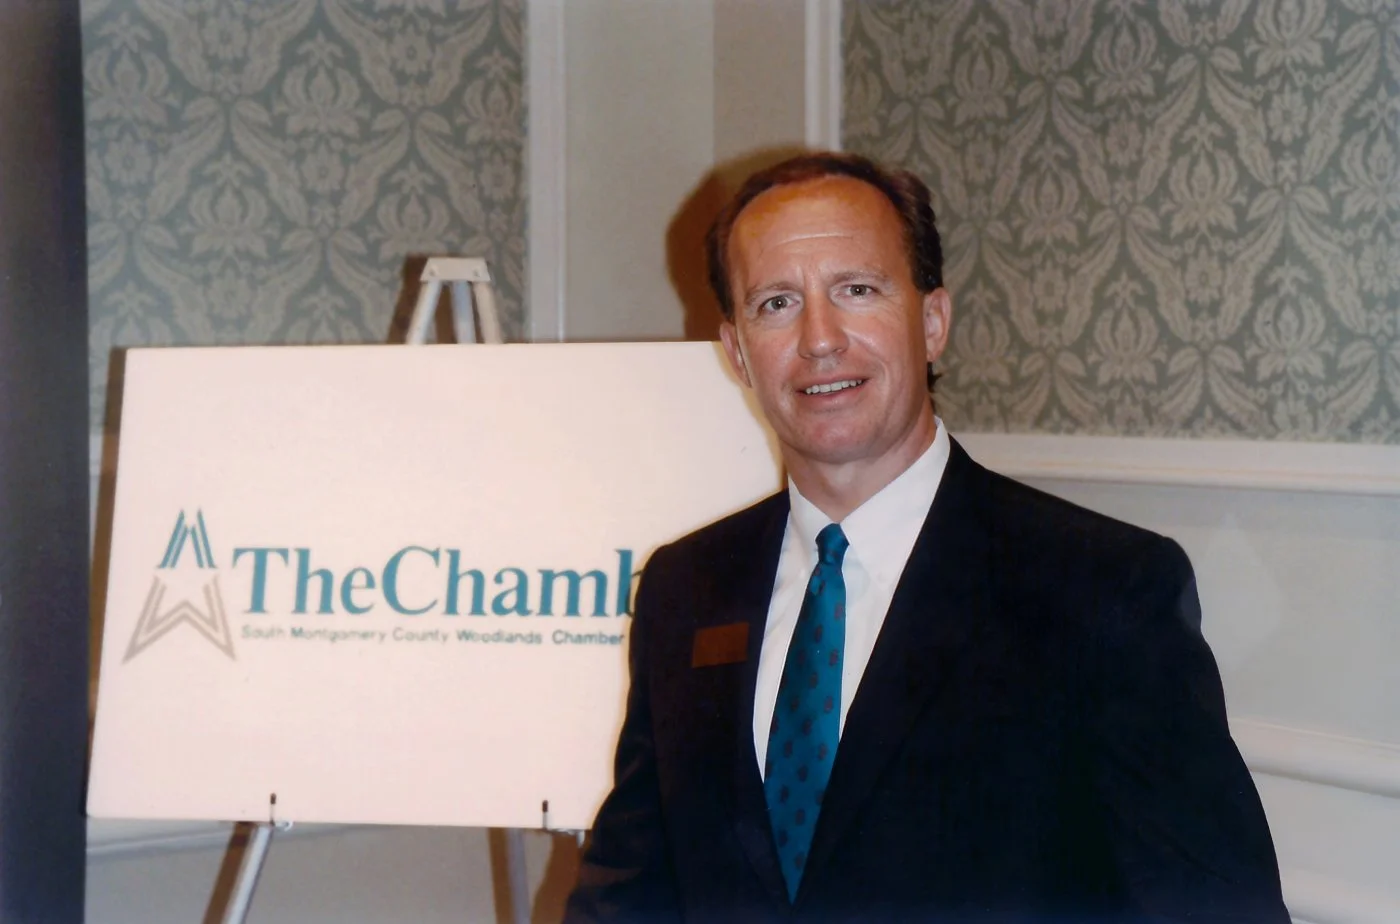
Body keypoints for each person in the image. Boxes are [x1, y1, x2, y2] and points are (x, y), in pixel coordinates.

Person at [565, 152, 1289, 923]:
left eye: (857, 290)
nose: (819, 339)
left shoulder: (1103, 591)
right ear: (738, 352)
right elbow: (623, 897)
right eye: (776, 303)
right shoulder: (686, 588)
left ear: (933, 322)